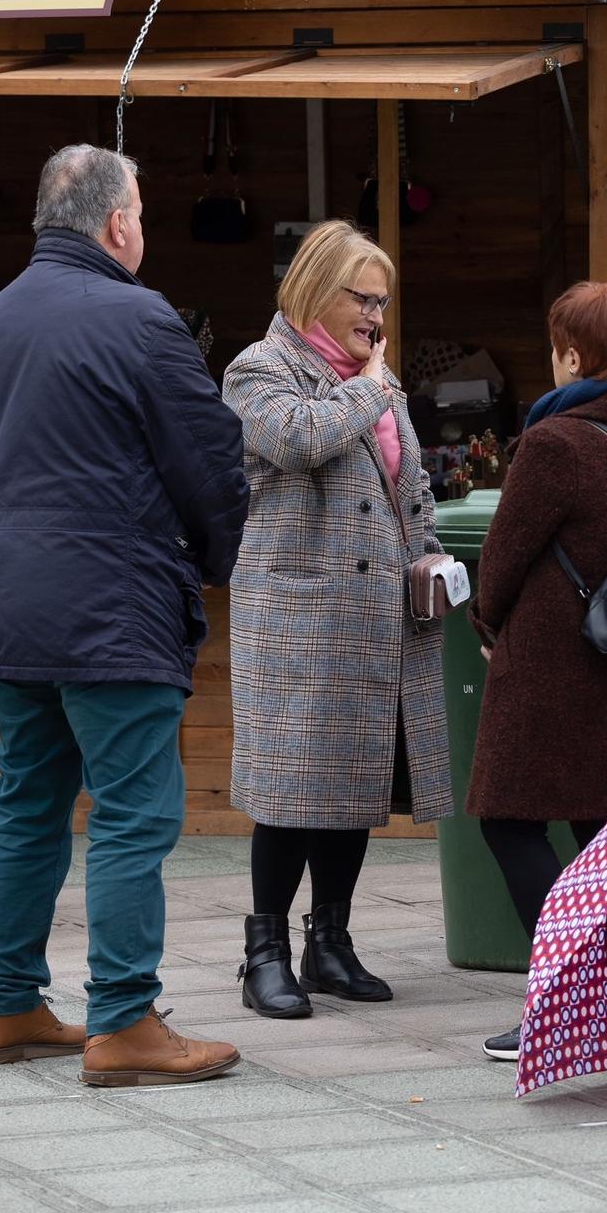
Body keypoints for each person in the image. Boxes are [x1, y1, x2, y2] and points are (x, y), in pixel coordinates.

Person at [0, 145, 249, 1086]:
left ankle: (4, 1005)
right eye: (142, 214)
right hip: (111, 600)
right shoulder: (140, 316)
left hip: (10, 600)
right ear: (117, 225)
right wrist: (214, 565)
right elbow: (209, 466)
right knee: (132, 810)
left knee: (27, 801)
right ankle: (124, 1020)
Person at [220, 220, 452, 1019]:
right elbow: (297, 439)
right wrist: (370, 390)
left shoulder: (373, 381)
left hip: (379, 614)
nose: (376, 316)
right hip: (302, 617)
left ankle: (330, 942)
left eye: (384, 302)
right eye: (364, 298)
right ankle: (264, 953)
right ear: (318, 286)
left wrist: (427, 555)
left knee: (353, 786)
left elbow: (407, 486)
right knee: (292, 792)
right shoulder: (262, 367)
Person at [465, 282, 607, 1062]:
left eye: (557, 343)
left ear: (575, 354)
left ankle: (567, 990)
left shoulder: (554, 444)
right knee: (598, 826)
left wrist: (487, 624)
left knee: (509, 818)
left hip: (550, 667)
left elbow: (501, 561)